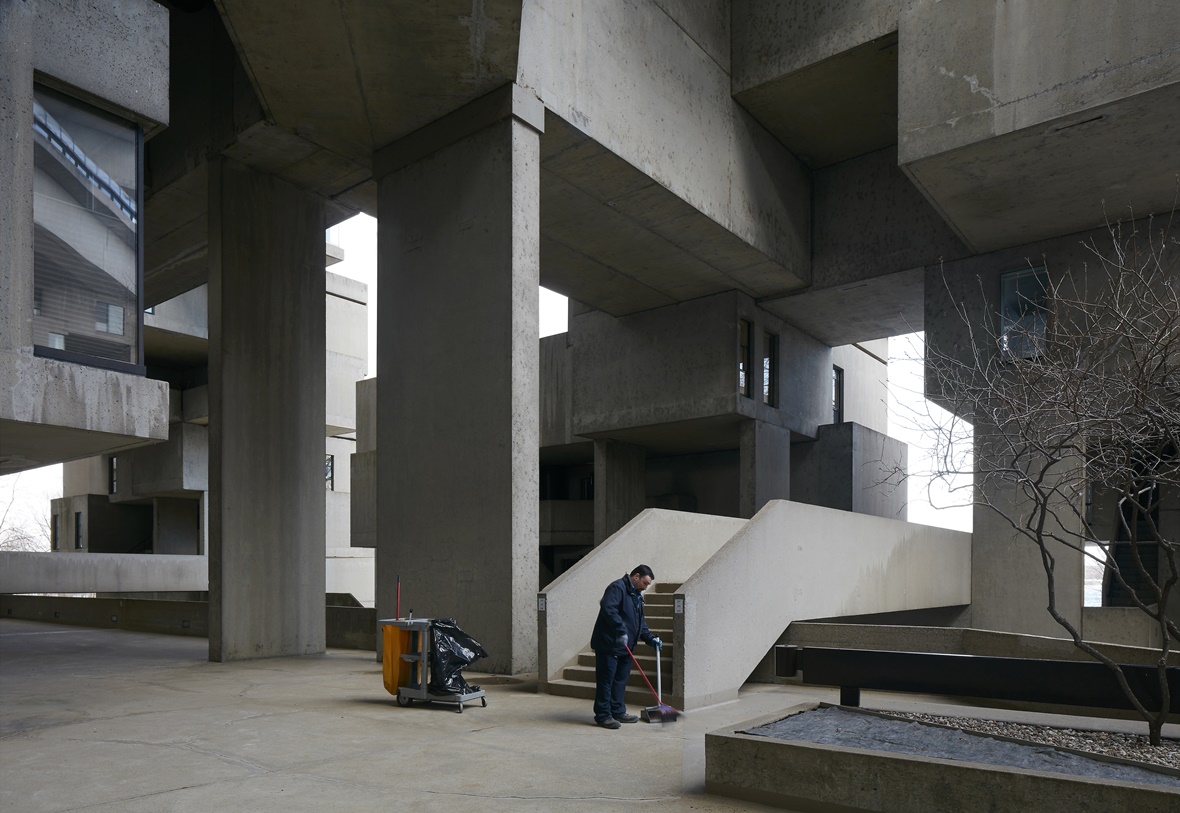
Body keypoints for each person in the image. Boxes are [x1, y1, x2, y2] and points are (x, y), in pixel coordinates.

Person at [590, 564, 661, 728]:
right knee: (606, 682)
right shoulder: (617, 588)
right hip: (609, 645)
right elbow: (608, 608)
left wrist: (650, 639)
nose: (646, 587)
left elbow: (640, 623)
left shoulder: (636, 596)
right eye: (645, 583)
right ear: (636, 577)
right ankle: (603, 715)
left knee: (620, 682)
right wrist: (620, 630)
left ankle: (618, 711)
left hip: (625, 647)